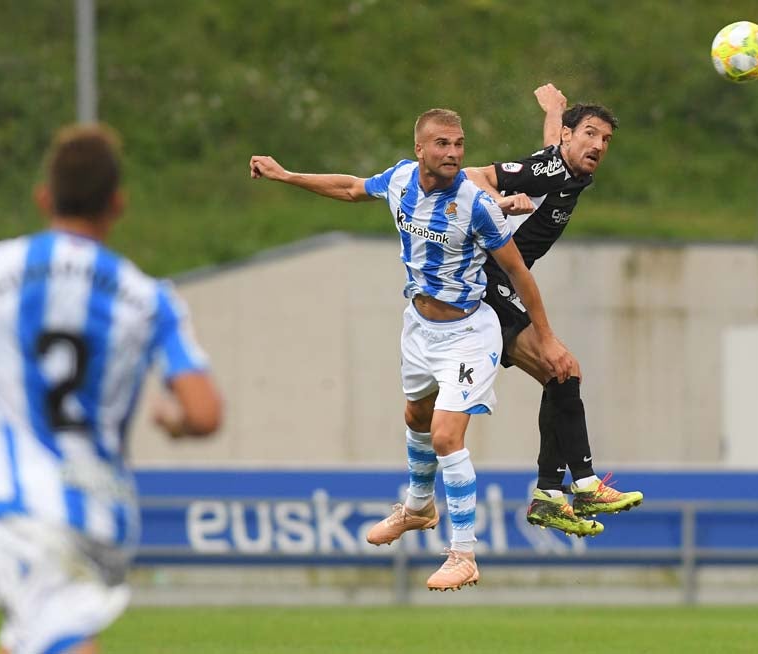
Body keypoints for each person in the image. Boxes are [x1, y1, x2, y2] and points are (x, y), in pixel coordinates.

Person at [250, 108, 573, 591]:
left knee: (445, 436)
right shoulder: (400, 180)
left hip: (468, 332)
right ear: (420, 149)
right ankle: (420, 507)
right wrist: (287, 175)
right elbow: (351, 188)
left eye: (459, 144)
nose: (453, 154)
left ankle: (463, 553)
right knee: (415, 418)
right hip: (419, 328)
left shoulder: (475, 204)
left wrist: (545, 336)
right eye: (442, 144)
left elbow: (519, 273)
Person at [0, 124, 223, 654]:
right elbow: (204, 413)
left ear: (44, 197)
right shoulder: (147, 297)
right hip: (105, 509)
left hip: (28, 503)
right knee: (31, 638)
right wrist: (172, 423)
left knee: (60, 640)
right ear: (118, 205)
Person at [464, 84, 643, 537]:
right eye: (590, 134)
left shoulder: (565, 167)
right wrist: (499, 203)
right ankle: (581, 484)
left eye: (606, 139)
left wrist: (557, 113)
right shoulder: (550, 168)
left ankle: (549, 494)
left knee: (560, 373)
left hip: (497, 282)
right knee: (562, 366)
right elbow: (471, 176)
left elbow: (547, 157)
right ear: (569, 137)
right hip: (486, 278)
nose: (599, 145)